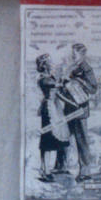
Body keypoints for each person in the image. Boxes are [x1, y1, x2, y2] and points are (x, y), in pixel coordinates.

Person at [57, 42, 97, 182]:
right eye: (72, 53)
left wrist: (77, 81)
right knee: (64, 137)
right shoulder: (73, 68)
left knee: (82, 141)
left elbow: (93, 88)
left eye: (75, 53)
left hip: (80, 111)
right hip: (69, 108)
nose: (72, 55)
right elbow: (66, 86)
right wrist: (63, 84)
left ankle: (85, 171)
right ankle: (61, 166)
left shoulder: (86, 69)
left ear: (82, 54)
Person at [35, 54, 69, 182]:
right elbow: (56, 86)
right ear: (44, 65)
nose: (52, 63)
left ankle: (47, 169)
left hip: (55, 108)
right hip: (49, 109)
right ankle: (45, 170)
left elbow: (59, 91)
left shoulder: (51, 77)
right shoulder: (44, 79)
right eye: (50, 62)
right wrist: (62, 81)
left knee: (52, 139)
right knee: (47, 140)